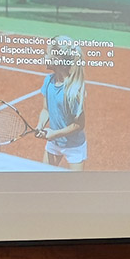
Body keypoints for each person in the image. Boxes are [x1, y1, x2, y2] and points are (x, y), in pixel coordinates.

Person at [35, 36, 87, 170]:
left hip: (74, 146)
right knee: (43, 177)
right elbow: (46, 109)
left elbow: (79, 124)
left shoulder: (73, 91)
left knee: (77, 187)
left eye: (47, 53)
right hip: (54, 142)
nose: (44, 56)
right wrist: (40, 124)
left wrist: (54, 133)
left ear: (58, 60)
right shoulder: (48, 81)